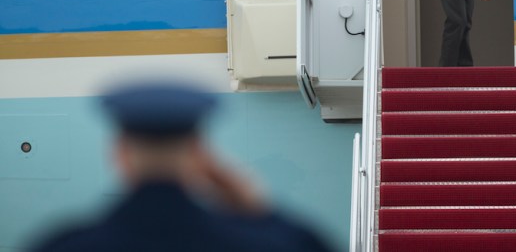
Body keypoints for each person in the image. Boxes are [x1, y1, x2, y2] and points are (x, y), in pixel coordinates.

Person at [30, 79, 333, 252]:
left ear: (118, 154)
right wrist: (260, 211)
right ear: (200, 155)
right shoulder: (263, 243)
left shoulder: (64, 244)